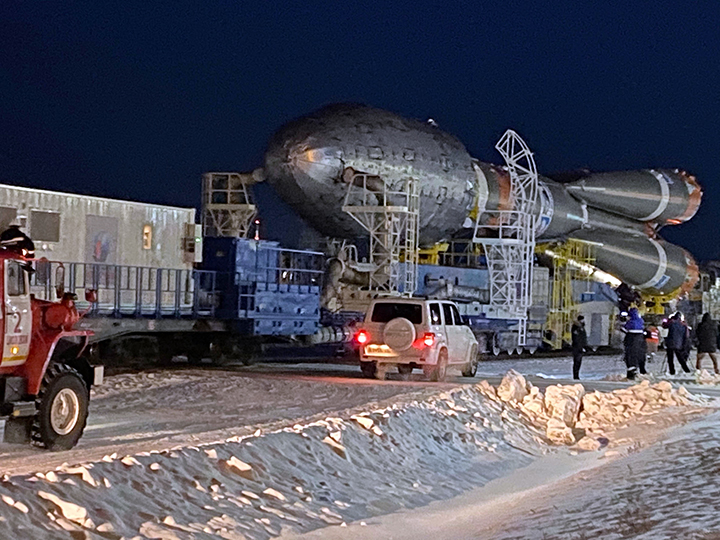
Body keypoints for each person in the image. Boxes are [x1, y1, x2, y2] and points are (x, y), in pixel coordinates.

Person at [623, 307, 647, 380]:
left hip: (631, 339)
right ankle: (642, 371)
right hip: (640, 339)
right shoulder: (640, 321)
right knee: (640, 354)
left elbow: (625, 328)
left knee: (630, 355)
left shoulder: (630, 322)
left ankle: (631, 372)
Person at [571, 315, 588, 380]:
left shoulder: (581, 327)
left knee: (578, 362)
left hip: (580, 347)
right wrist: (581, 346)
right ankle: (575, 375)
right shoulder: (576, 327)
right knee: (577, 361)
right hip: (577, 347)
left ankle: (576, 375)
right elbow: (577, 338)